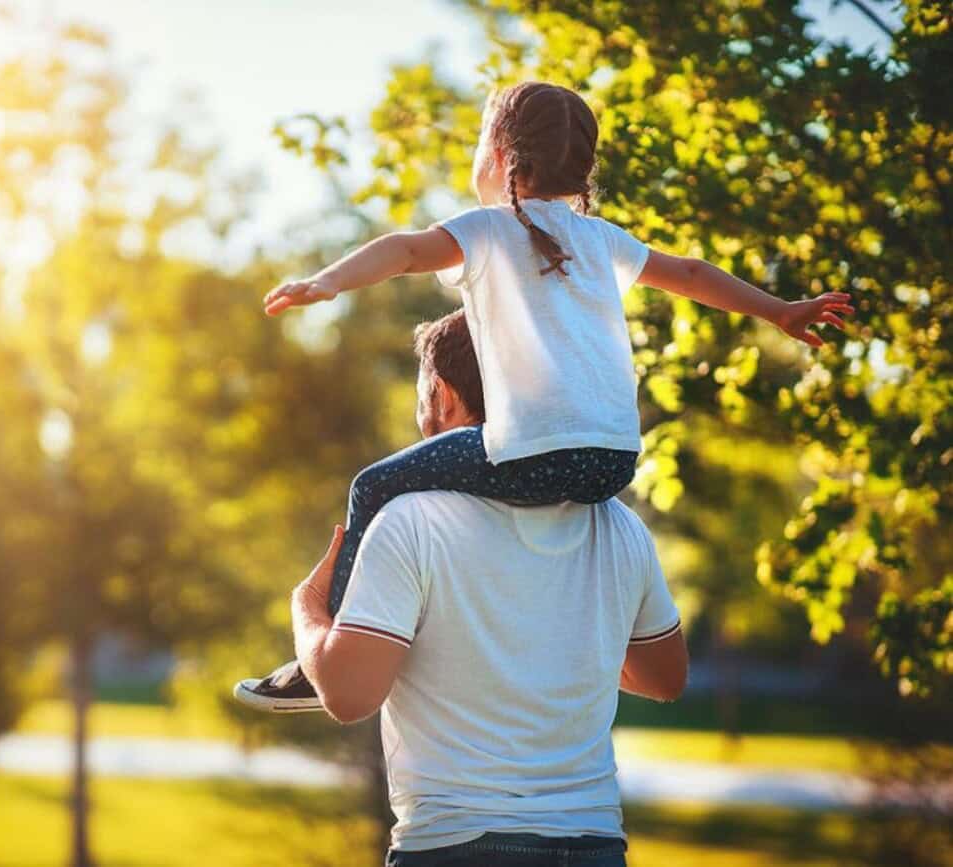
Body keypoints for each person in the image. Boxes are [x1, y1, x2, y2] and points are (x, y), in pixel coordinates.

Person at [234, 81, 850, 711]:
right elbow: (691, 273)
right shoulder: (602, 239)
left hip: (532, 456)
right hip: (614, 463)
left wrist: (328, 282)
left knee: (373, 485)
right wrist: (779, 311)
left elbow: (407, 250)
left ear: (501, 156)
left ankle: (327, 655)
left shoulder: (488, 230)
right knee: (483, 469)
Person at [291, 308, 688, 866]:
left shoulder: (409, 521)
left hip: (458, 845)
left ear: (443, 395)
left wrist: (308, 610)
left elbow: (348, 694)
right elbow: (665, 677)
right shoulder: (619, 524)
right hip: (594, 846)